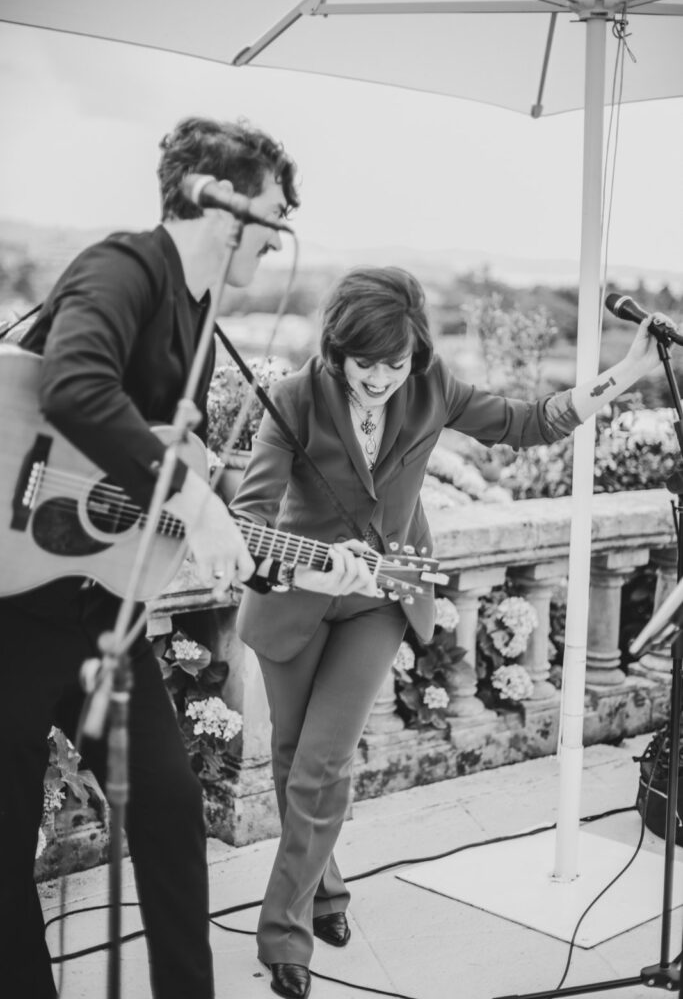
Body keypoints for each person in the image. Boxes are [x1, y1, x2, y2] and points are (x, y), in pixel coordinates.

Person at [0, 116, 372, 999]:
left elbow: (145, 489)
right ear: (222, 202)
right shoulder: (120, 269)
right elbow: (72, 386)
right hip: (16, 605)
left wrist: (296, 563)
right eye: (276, 210)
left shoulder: (200, 317)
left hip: (103, 612)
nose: (284, 231)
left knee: (169, 812)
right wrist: (193, 497)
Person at [229, 265, 676, 999]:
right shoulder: (291, 399)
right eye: (362, 365)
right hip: (296, 598)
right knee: (289, 759)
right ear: (335, 350)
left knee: (321, 762)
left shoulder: (433, 389)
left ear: (417, 354)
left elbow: (529, 423)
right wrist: (312, 572)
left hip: (383, 598)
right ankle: (326, 892)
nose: (378, 380)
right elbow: (248, 521)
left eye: (394, 364)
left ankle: (283, 933)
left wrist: (627, 371)